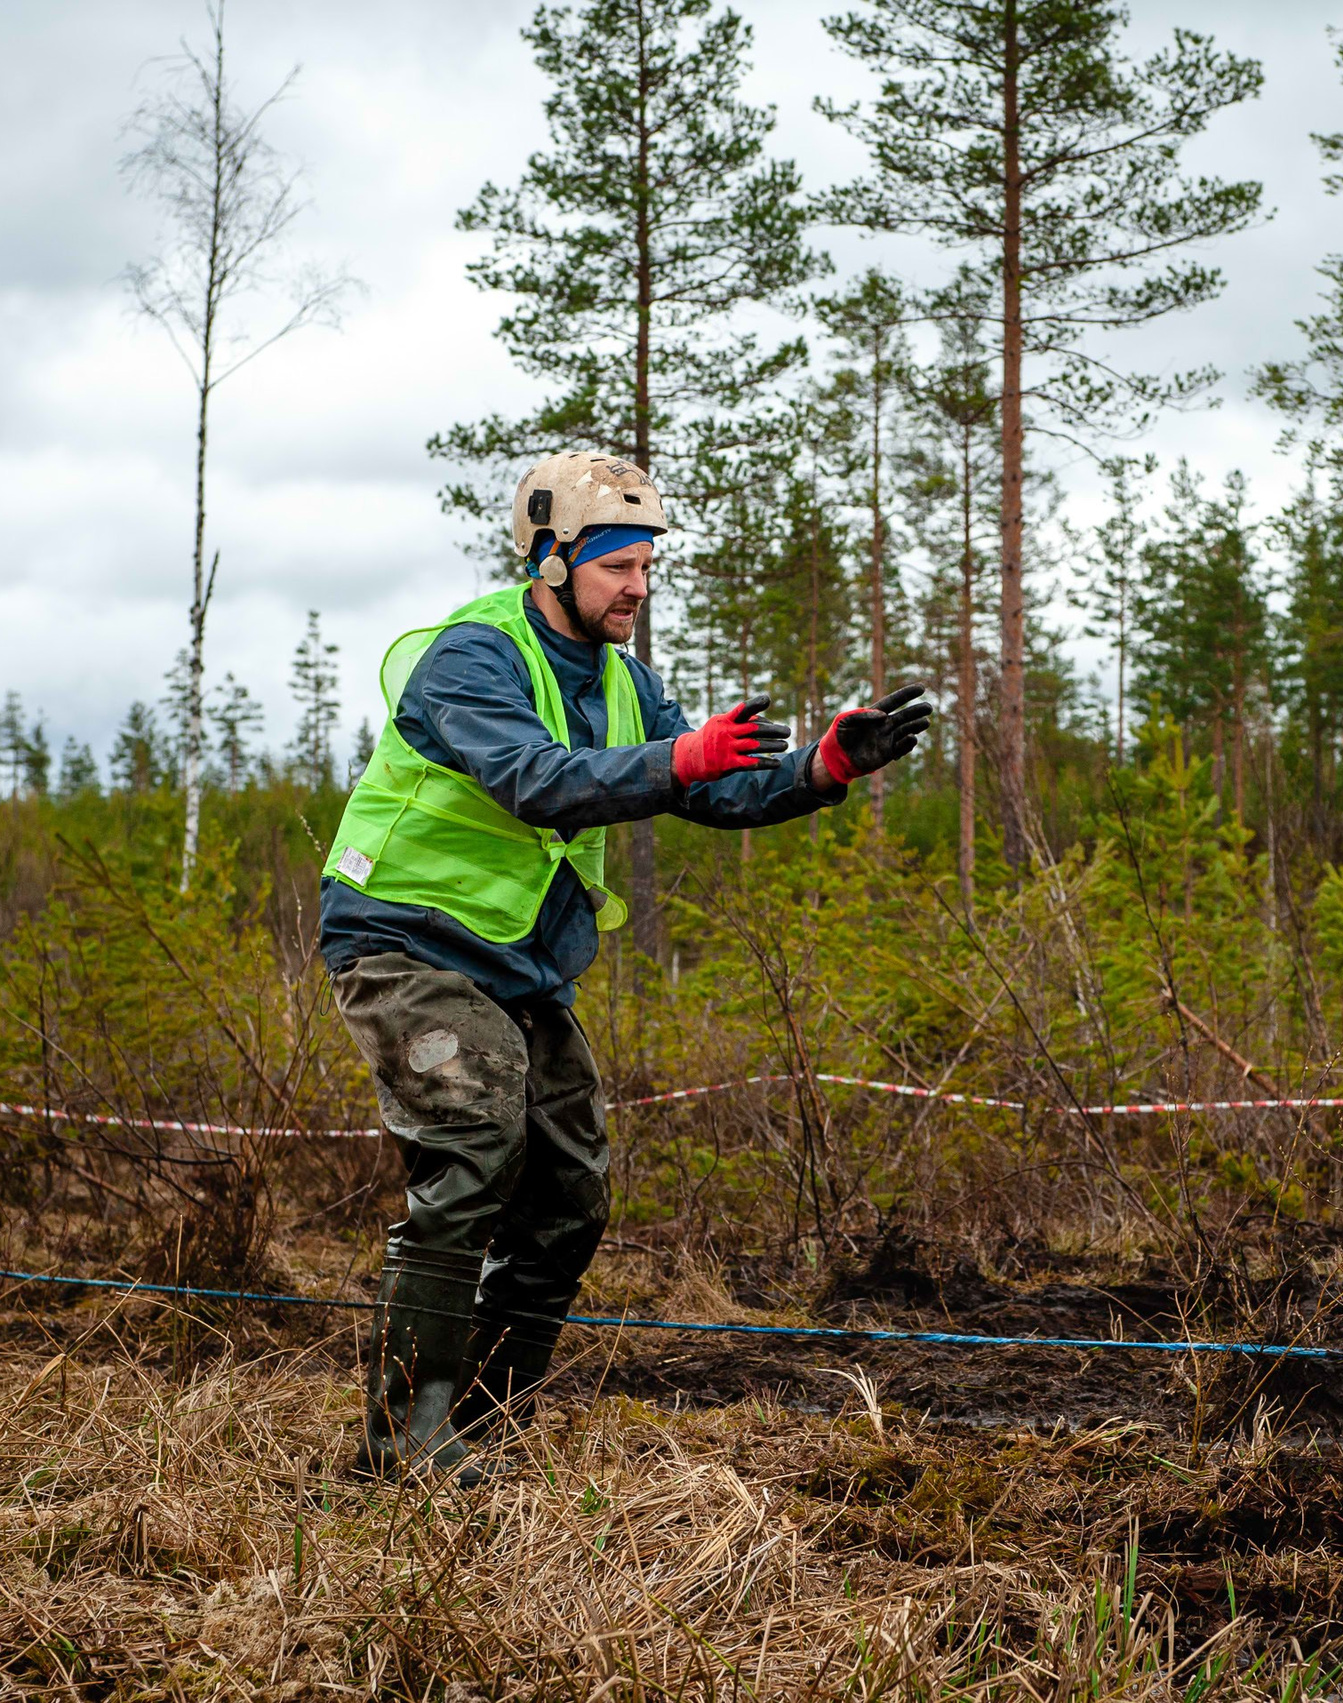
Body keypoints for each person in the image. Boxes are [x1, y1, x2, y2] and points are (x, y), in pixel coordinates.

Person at [319, 451, 931, 1483]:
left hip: (517, 961)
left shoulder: (625, 681)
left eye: (647, 566)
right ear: (551, 562)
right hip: (404, 936)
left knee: (571, 1192)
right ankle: (404, 1441)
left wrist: (822, 767)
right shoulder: (472, 658)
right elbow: (536, 780)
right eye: (616, 566)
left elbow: (709, 787)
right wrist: (681, 758)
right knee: (474, 1140)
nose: (638, 587)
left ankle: (487, 1423)